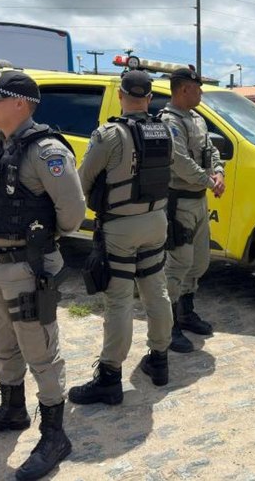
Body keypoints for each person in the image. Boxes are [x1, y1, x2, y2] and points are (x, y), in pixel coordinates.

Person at [0, 70, 86, 481]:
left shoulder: (46, 151)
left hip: (29, 266)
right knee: (0, 343)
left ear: (20, 104)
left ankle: (54, 434)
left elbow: (72, 214)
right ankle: (12, 409)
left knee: (40, 352)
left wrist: (40, 234)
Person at [68, 70, 174, 405]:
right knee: (156, 291)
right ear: (149, 97)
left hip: (121, 227)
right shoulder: (165, 130)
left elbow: (81, 182)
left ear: (121, 95)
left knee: (119, 301)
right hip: (157, 221)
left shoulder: (109, 134)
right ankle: (159, 361)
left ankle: (110, 378)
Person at [159, 67, 225, 353]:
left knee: (199, 262)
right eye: (198, 89)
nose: (201, 94)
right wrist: (209, 180)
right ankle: (169, 325)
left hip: (198, 200)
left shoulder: (196, 118)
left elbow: (211, 149)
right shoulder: (169, 121)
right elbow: (179, 160)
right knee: (177, 265)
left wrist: (219, 172)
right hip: (179, 202)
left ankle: (186, 312)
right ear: (185, 89)